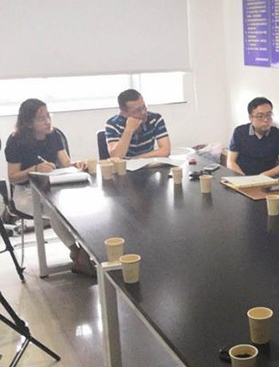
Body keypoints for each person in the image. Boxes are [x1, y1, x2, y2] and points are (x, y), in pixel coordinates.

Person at [4, 98, 95, 276]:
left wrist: (77, 165)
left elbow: (66, 163)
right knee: (55, 209)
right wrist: (35, 169)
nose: (47, 122)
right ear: (28, 123)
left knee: (81, 204)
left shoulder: (54, 135)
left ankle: (81, 256)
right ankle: (79, 254)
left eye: (48, 116)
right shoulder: (15, 140)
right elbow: (13, 177)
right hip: (26, 192)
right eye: (41, 118)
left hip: (53, 188)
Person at [227, 97, 279, 177]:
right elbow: (231, 162)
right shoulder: (240, 132)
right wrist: (243, 178)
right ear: (251, 118)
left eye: (269, 115)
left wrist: (261, 176)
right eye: (260, 116)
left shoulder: (278, 135)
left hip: (267, 179)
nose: (266, 120)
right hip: (242, 177)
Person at [105, 89, 171, 158]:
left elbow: (165, 151)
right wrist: (129, 130)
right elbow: (116, 156)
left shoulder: (155, 118)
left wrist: (136, 159)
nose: (143, 112)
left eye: (144, 106)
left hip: (147, 163)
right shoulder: (113, 124)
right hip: (124, 165)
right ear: (123, 112)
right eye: (137, 110)